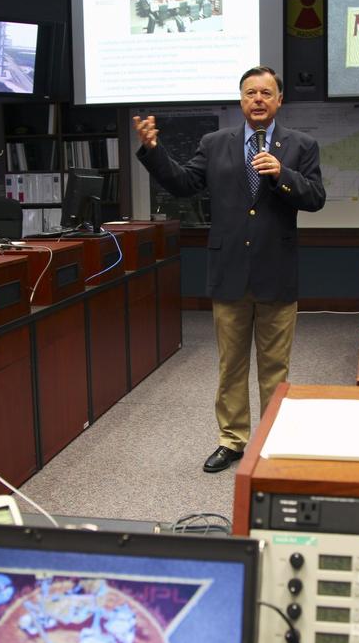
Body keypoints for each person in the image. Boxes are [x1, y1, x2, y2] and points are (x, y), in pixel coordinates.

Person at [133, 65, 326, 473]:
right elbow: (184, 183)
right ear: (240, 100)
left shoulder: (302, 145)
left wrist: (283, 175)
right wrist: (153, 151)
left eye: (266, 93)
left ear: (279, 101)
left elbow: (315, 198)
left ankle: (274, 439)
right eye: (250, 92)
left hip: (276, 270)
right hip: (229, 271)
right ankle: (232, 440)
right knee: (231, 366)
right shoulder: (215, 142)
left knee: (275, 367)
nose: (258, 99)